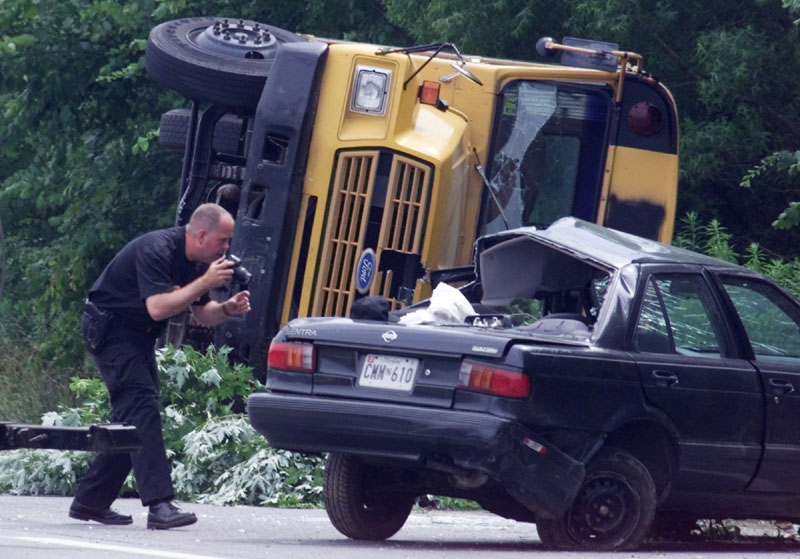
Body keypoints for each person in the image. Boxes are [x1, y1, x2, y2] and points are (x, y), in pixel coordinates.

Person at [69, 203, 250, 530]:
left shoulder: (198, 263)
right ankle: (159, 505)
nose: (226, 248)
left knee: (130, 417)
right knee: (142, 407)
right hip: (111, 329)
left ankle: (90, 501)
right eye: (222, 240)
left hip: (137, 336)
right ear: (201, 235)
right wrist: (205, 281)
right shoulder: (158, 249)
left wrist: (227, 309)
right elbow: (157, 307)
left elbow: (203, 313)